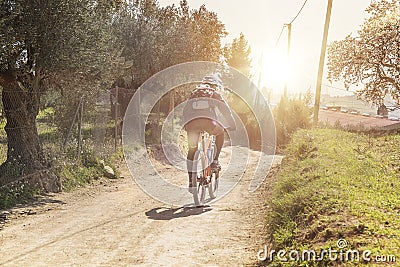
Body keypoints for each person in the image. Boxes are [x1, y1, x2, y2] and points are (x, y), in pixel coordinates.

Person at [183, 74, 236, 192]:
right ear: (214, 85)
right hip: (208, 124)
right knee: (220, 132)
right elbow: (225, 110)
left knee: (192, 151)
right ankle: (215, 160)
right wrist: (232, 125)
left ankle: (191, 182)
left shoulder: (194, 93)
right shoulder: (214, 93)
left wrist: (186, 125)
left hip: (192, 125)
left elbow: (186, 109)